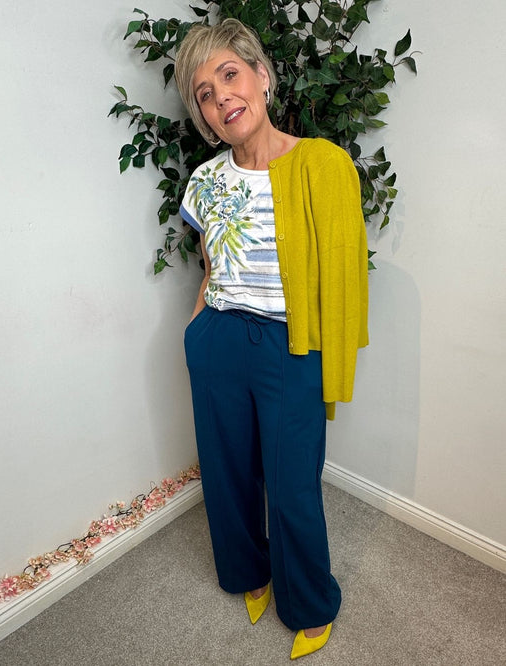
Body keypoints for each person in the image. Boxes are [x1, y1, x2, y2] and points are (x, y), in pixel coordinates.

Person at [175, 18, 368, 660]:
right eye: (204, 92)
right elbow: (211, 267)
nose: (221, 96)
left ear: (261, 76)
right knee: (226, 472)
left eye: (230, 74)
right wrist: (197, 330)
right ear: (203, 114)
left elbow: (342, 270)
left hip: (292, 345)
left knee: (292, 486)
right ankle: (247, 572)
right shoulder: (205, 181)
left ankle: (309, 601)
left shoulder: (321, 163)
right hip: (219, 339)